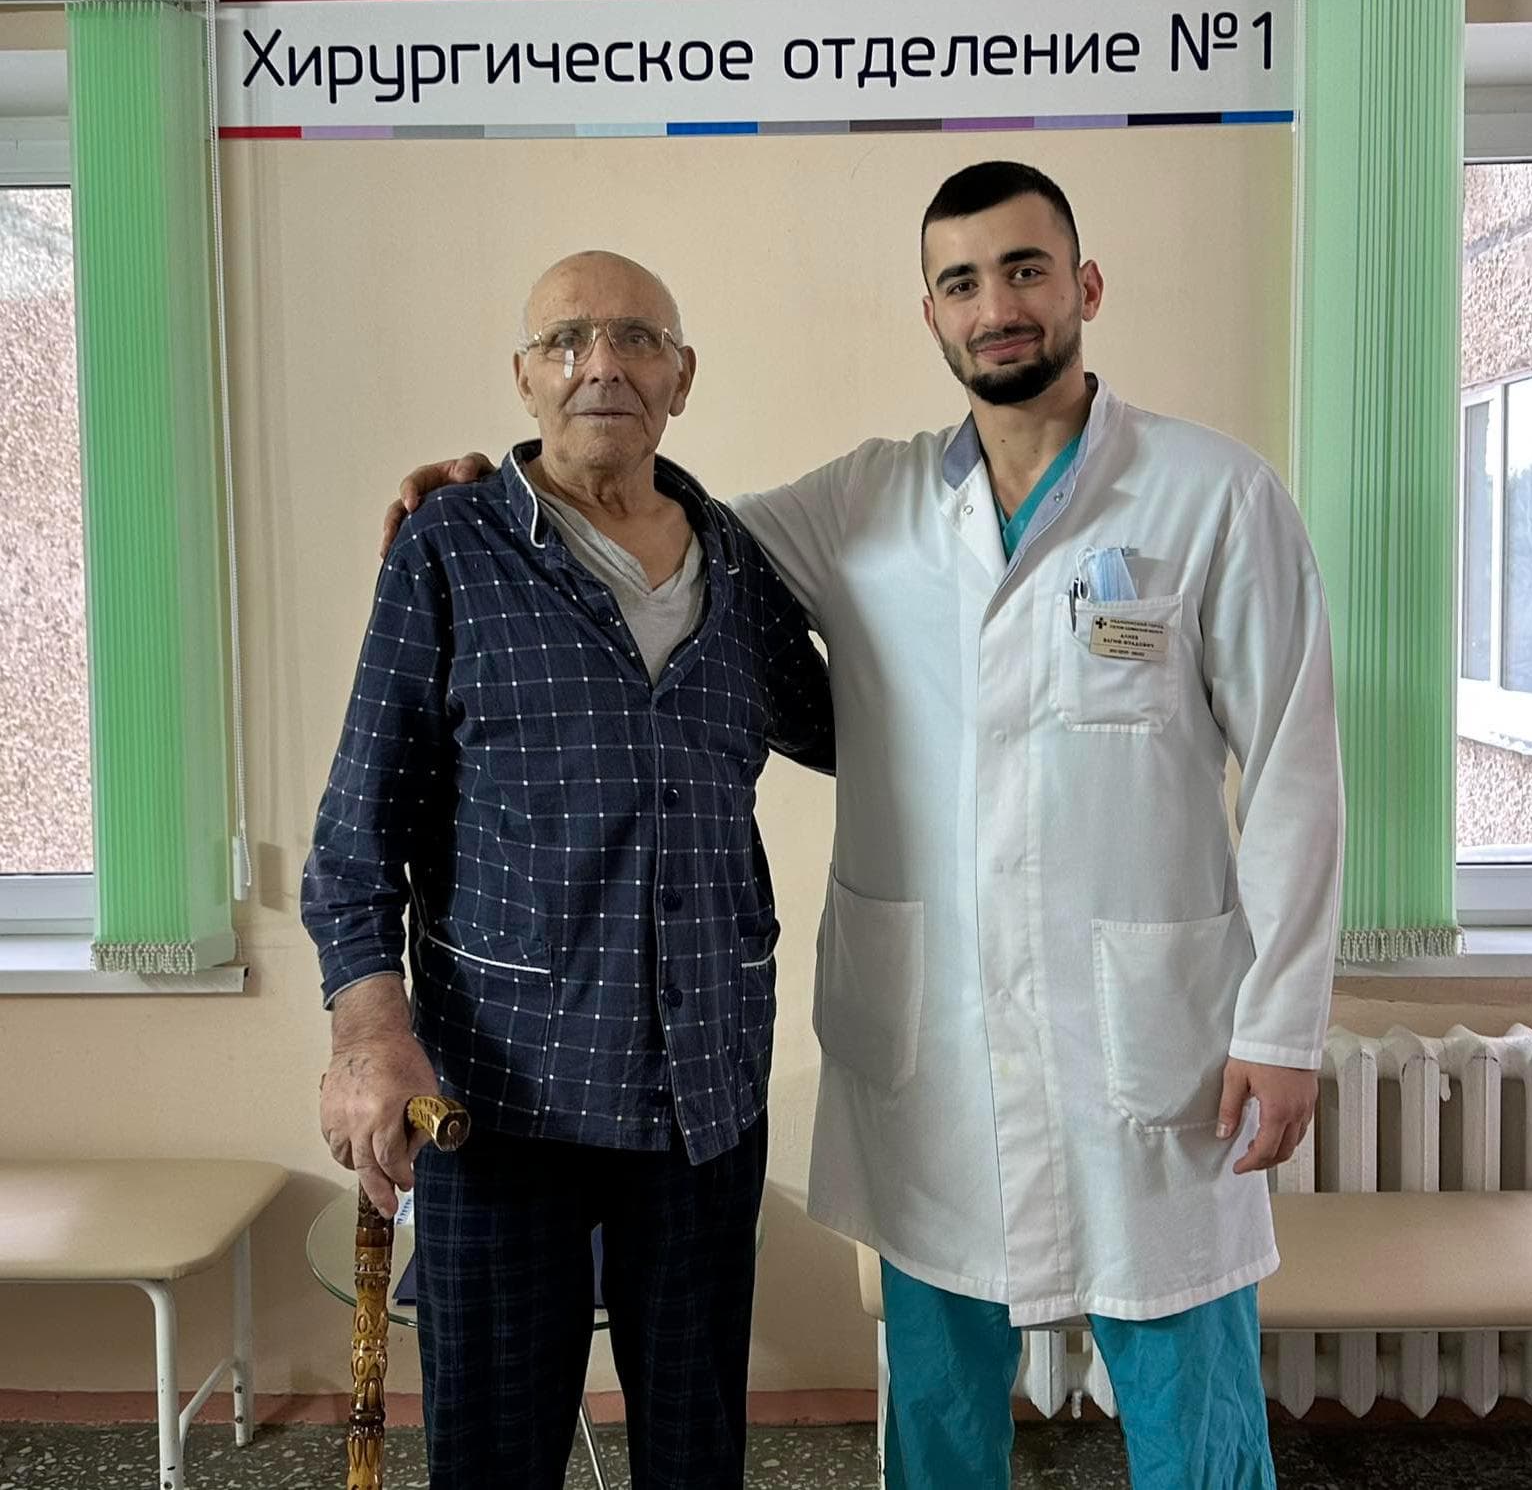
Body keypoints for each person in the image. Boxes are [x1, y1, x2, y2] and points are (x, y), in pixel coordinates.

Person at [384, 162, 1343, 1489]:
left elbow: (1294, 768)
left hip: (1148, 1042)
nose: (995, 305)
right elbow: (652, 529)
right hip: (933, 1047)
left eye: (1024, 269)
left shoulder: (1212, 494)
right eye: (961, 281)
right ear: (929, 313)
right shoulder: (866, 500)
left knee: (1192, 1405)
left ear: (1083, 285)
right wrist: (503, 498)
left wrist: (1279, 1028)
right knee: (937, 1411)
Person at [303, 250, 834, 1490]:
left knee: (696, 1453)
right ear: (524, 377)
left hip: (704, 1094)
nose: (603, 363)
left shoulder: (739, 564)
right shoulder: (448, 547)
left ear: (681, 378)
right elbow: (355, 834)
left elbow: (852, 727)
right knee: (493, 1456)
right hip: (501, 1103)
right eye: (567, 340)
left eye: (638, 338)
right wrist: (368, 1033)